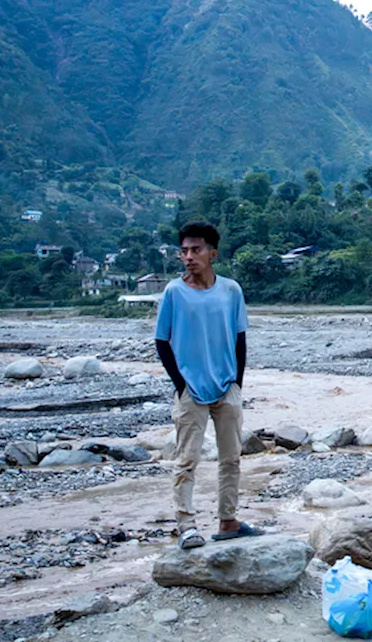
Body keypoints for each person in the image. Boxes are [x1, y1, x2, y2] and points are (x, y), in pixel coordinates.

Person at [154, 221, 261, 549]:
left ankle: (228, 520)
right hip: (191, 390)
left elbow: (240, 339)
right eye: (184, 251)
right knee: (187, 459)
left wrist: (237, 385)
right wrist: (181, 385)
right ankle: (186, 524)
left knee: (231, 458)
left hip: (226, 385)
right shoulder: (174, 292)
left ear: (212, 253)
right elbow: (162, 342)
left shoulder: (231, 290)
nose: (189, 256)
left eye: (196, 250)